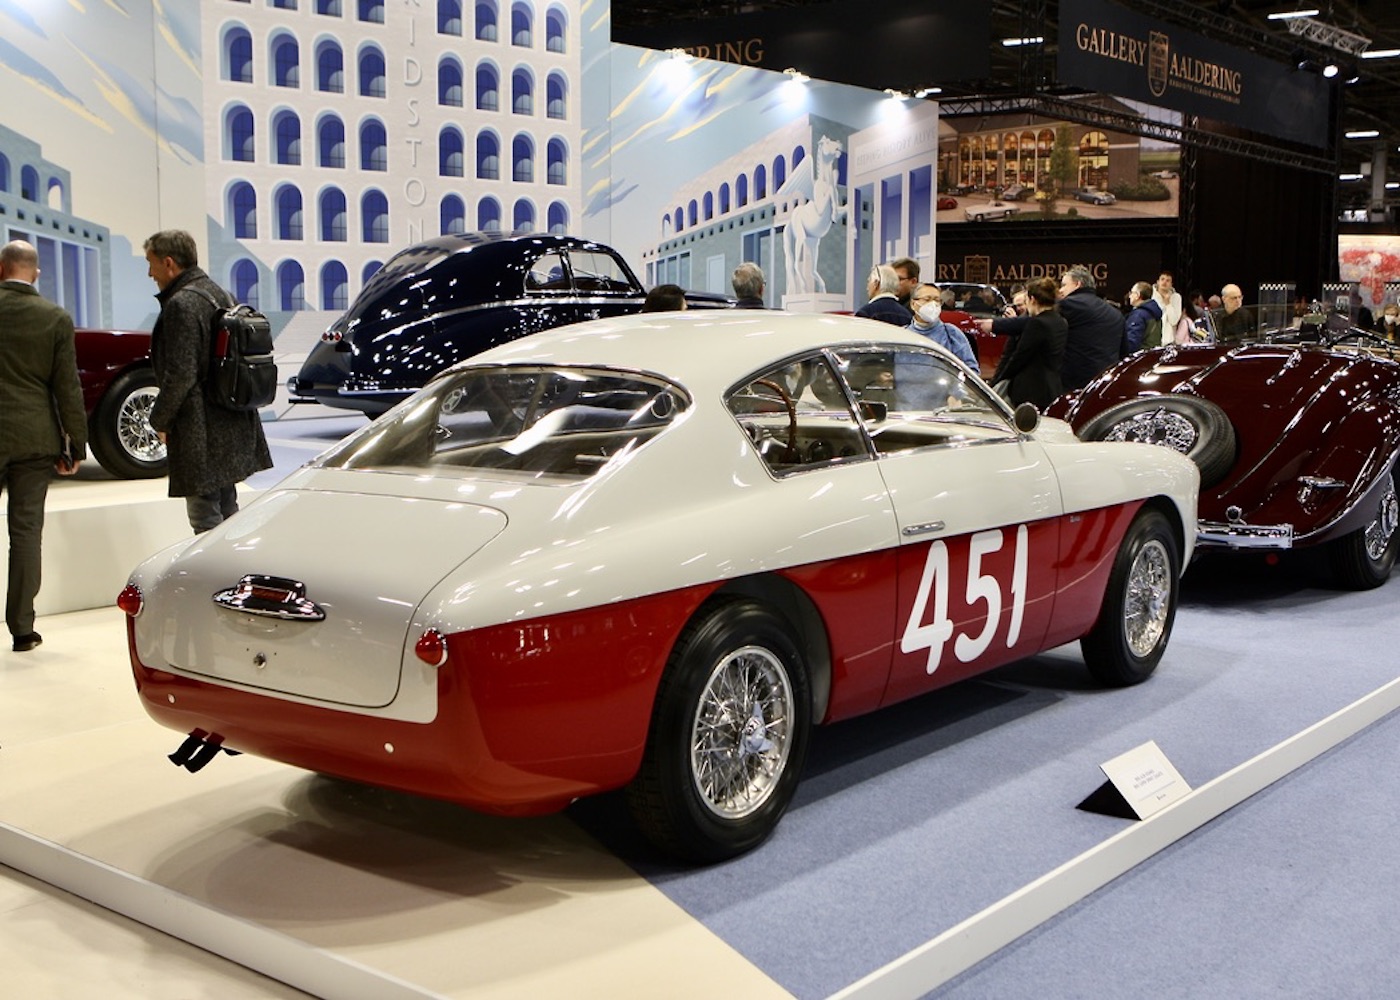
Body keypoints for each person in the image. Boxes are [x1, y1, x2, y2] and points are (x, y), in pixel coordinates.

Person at [144, 230, 272, 534]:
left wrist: (160, 419)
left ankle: (215, 566)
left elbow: (181, 373)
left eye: (151, 264)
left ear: (169, 263)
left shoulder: (182, 304)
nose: (150, 273)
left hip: (200, 428)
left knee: (204, 519)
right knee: (228, 510)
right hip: (230, 420)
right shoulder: (221, 294)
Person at [0, 240, 86, 652]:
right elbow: (67, 387)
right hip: (35, 438)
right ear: (35, 273)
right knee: (25, 533)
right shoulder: (55, 318)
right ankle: (22, 629)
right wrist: (76, 444)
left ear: (1, 269)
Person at [994, 276, 1065, 410]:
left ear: (1032, 299)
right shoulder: (1061, 322)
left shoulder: (1036, 323)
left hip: (1030, 391)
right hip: (1052, 388)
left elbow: (1020, 356)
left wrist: (999, 380)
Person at [1056, 265, 1124, 390]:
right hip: (1107, 383)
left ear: (1078, 284)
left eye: (1064, 285)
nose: (1060, 290)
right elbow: (1124, 351)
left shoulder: (1068, 304)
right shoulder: (1116, 313)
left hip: (1075, 384)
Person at [907, 283, 978, 369]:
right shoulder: (903, 335)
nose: (932, 304)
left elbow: (971, 369)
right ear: (913, 304)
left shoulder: (952, 334)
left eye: (937, 300)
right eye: (927, 299)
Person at [1123, 281, 1164, 353]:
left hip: (1141, 356)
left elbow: (1132, 344)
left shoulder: (1138, 315)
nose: (1129, 296)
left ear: (1137, 295)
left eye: (1131, 293)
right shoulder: (1155, 312)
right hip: (1153, 355)